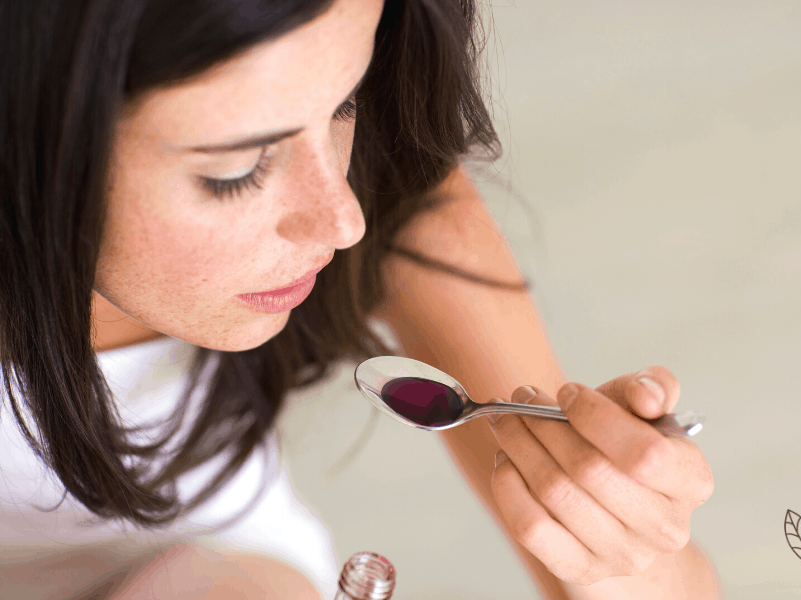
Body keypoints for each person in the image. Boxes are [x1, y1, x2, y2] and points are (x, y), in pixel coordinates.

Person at [0, 0, 722, 598]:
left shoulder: (393, 193)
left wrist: (617, 533)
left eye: (345, 101)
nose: (343, 220)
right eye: (238, 168)